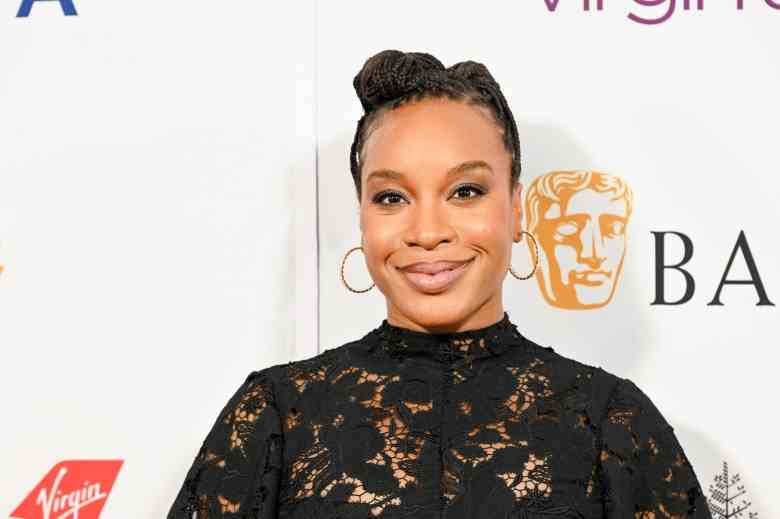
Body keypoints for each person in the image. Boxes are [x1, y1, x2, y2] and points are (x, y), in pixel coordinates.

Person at [166, 50, 712, 519]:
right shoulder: (274, 415)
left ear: (517, 208)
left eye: (466, 191)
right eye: (392, 198)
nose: (427, 232)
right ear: (361, 215)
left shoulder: (612, 422)